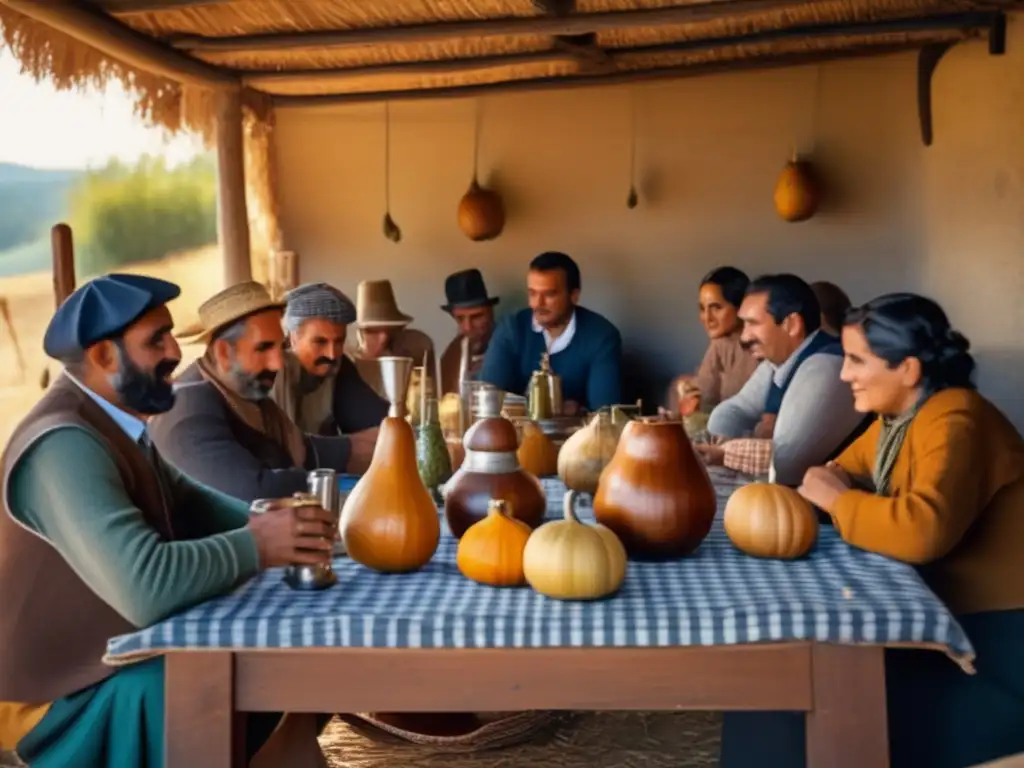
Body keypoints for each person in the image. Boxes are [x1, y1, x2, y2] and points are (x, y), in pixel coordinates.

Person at [0, 274, 334, 766]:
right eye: (156, 340)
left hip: (98, 661)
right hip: (51, 697)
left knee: (260, 643)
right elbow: (147, 587)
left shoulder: (116, 425)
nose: (176, 351)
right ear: (103, 356)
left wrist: (283, 525)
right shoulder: (62, 444)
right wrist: (260, 544)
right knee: (195, 676)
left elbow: (191, 502)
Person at [720, 292, 1024, 768]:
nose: (843, 375)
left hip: (996, 653)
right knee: (774, 690)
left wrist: (840, 500)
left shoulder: (956, 417)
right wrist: (837, 489)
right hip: (940, 625)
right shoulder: (898, 421)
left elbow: (922, 531)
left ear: (907, 369)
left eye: (857, 361)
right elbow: (833, 470)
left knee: (799, 708)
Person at [148, 282, 373, 502]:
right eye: (264, 348)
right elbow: (257, 493)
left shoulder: (247, 395)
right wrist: (334, 485)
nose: (277, 363)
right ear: (224, 353)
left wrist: (389, 445)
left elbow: (309, 450)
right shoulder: (187, 409)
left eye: (279, 347)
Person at [700, 273, 867, 485]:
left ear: (792, 325)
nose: (744, 336)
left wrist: (722, 452)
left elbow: (784, 463)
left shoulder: (826, 366)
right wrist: (722, 451)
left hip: (824, 509)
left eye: (753, 324)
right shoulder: (777, 361)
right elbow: (732, 411)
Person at [479, 251, 622, 412]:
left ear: (574, 296)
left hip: (575, 436)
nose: (538, 303)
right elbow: (489, 398)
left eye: (549, 294)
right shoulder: (512, 327)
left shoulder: (601, 336)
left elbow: (605, 414)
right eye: (532, 293)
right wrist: (564, 408)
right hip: (513, 434)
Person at [272, 281, 388, 435]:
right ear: (293, 339)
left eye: (339, 341)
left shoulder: (337, 365)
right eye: (320, 342)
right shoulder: (274, 370)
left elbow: (376, 421)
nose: (332, 354)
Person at [665, 266, 759, 417]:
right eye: (702, 308)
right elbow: (705, 390)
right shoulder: (720, 343)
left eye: (716, 307)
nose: (707, 318)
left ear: (740, 306)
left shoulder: (760, 344)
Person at [347, 279, 436, 399]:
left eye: (389, 329)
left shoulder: (406, 351)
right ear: (361, 332)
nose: (384, 338)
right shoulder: (347, 362)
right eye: (374, 330)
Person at [438, 268, 499, 396]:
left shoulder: (509, 345)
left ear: (490, 313)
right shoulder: (454, 350)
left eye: (476, 317)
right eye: (460, 318)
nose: (467, 327)